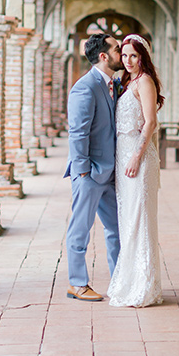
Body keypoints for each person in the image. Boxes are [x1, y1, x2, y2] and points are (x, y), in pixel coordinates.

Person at [64, 33, 123, 301]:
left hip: (110, 173)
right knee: (80, 230)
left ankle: (121, 280)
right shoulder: (84, 87)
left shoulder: (114, 84)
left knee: (117, 229)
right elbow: (77, 132)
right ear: (104, 56)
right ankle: (77, 283)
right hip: (90, 173)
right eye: (117, 48)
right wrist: (83, 171)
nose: (121, 52)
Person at [107, 34, 164, 308]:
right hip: (123, 157)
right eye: (125, 55)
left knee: (139, 220)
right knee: (127, 220)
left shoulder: (145, 82)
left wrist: (135, 157)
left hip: (138, 159)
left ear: (143, 56)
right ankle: (130, 282)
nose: (128, 61)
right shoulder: (127, 82)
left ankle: (144, 287)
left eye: (134, 55)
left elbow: (150, 122)